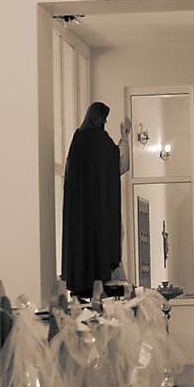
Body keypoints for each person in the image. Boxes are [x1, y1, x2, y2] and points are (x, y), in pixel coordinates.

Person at [61, 102, 131, 299]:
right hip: (100, 212)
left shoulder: (78, 140)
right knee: (103, 241)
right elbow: (121, 164)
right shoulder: (101, 141)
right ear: (99, 118)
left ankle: (81, 279)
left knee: (83, 244)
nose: (105, 122)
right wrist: (125, 136)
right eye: (105, 119)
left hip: (80, 216)